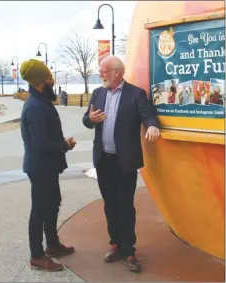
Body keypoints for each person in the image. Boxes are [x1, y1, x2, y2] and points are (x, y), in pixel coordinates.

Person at [82, 56, 160, 273]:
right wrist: (91, 120)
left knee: (125, 206)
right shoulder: (98, 94)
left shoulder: (136, 94)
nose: (100, 75)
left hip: (124, 161)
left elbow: (148, 115)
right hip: (103, 160)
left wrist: (152, 127)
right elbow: (86, 119)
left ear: (116, 72)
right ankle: (115, 244)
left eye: (103, 71)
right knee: (109, 204)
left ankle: (129, 250)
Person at [20, 59, 76, 272]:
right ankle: (37, 256)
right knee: (40, 209)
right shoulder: (36, 107)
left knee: (52, 203)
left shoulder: (39, 102)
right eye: (50, 77)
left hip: (46, 166)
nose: (53, 80)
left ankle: (52, 244)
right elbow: (40, 144)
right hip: (40, 167)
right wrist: (65, 144)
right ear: (41, 81)